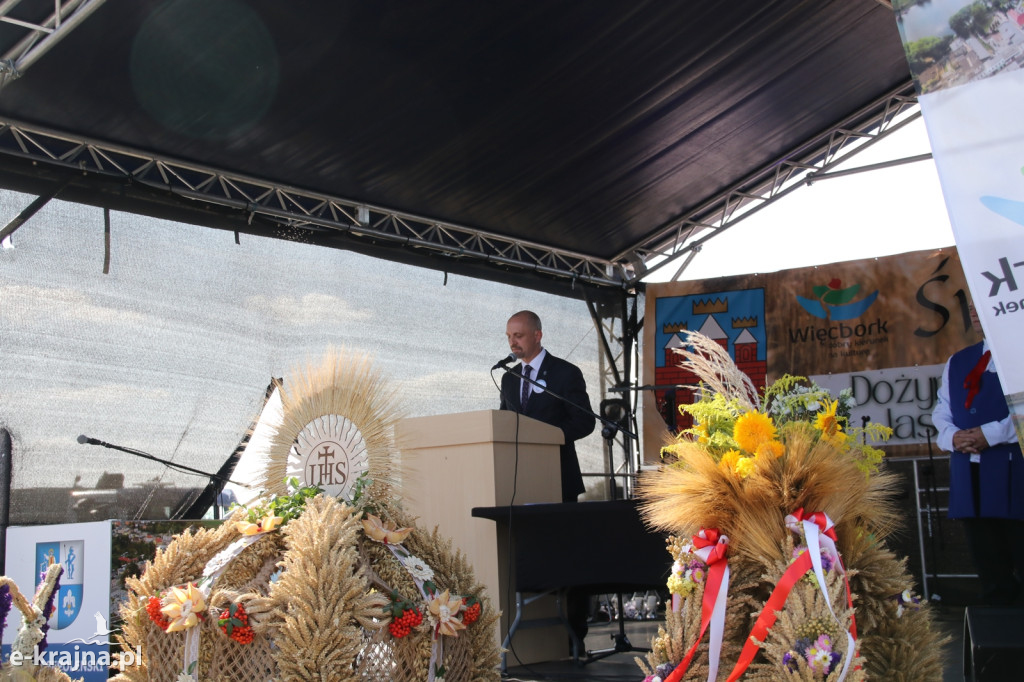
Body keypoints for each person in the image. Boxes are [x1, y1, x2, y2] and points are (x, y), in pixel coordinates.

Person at [932, 305, 1024, 605]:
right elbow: (942, 410)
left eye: (982, 305)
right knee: (989, 566)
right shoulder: (958, 361)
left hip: (1013, 471)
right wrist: (953, 437)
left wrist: (992, 434)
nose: (975, 312)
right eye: (971, 307)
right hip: (970, 475)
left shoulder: (1017, 352)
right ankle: (1001, 637)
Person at [499, 310, 596, 503]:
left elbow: (584, 421)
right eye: (509, 336)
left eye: (518, 336)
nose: (512, 342)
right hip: (519, 480)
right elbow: (505, 421)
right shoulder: (509, 378)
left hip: (558, 475)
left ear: (537, 335)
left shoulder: (565, 372)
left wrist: (546, 437)